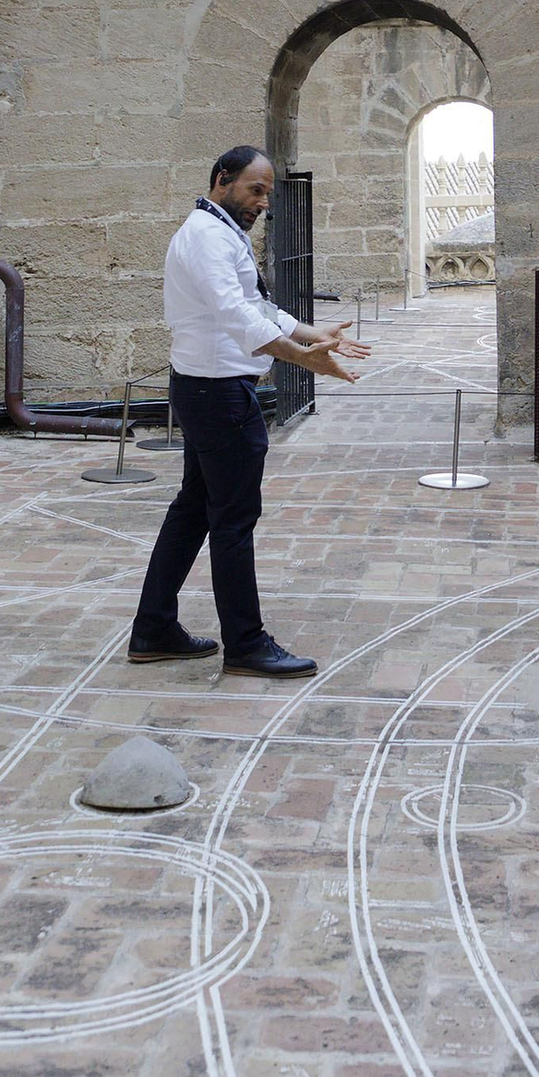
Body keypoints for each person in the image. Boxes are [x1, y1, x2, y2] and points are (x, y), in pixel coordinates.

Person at [128, 145, 369, 678]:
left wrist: (312, 334)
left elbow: (257, 305)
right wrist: (302, 359)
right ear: (222, 179)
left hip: (205, 390)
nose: (262, 202)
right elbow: (236, 315)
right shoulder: (208, 237)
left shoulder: (218, 231)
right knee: (232, 521)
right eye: (255, 190)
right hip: (218, 397)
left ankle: (153, 628)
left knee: (193, 510)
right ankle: (245, 644)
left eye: (267, 194)